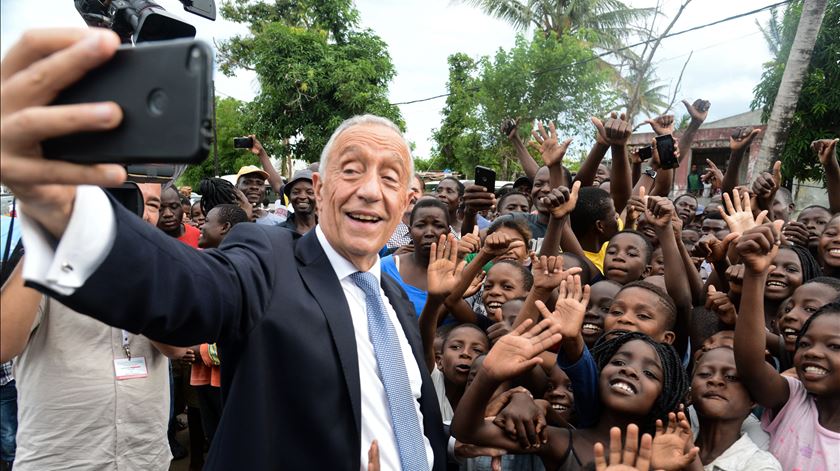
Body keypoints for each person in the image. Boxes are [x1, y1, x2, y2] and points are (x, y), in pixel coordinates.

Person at [1, 33, 446, 468]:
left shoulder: (395, 299)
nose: (370, 191)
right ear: (319, 187)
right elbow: (186, 286)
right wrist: (64, 206)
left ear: (406, 204)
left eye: (390, 178)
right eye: (352, 170)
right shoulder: (269, 260)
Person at [278, 168, 317, 235]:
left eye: (310, 192)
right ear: (289, 198)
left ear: (319, 197)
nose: (302, 197)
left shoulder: (329, 231)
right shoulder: (278, 232)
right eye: (296, 192)